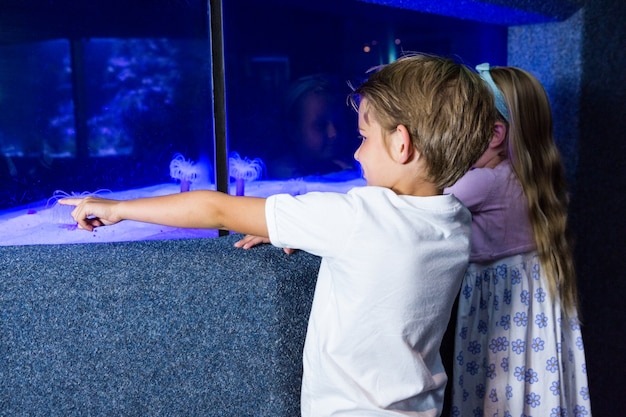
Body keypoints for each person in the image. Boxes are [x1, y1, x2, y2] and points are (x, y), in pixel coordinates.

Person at [59, 53, 496, 416]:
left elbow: (214, 207)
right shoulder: (454, 219)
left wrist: (117, 208)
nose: (356, 151)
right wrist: (299, 229)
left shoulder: (357, 219)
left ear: (402, 144)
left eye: (364, 137)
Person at [445, 64, 591, 417]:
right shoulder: (536, 178)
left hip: (499, 314)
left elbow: (421, 211)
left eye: (458, 122)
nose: (449, 132)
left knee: (498, 393)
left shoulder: (485, 182)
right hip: (536, 307)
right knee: (528, 390)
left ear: (495, 133)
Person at [266, 73, 356, 179]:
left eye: (339, 123)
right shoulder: (276, 178)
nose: (334, 134)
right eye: (320, 126)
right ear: (292, 130)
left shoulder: (357, 168)